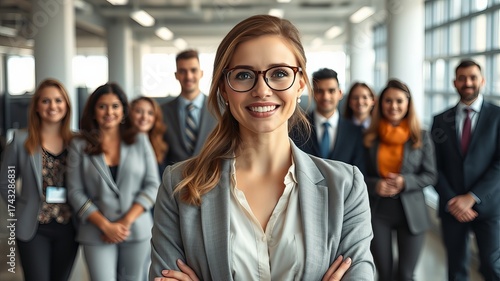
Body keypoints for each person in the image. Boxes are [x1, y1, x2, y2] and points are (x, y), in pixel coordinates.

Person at [150, 14, 374, 281]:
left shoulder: (346, 187)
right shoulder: (179, 184)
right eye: (244, 75)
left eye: (279, 73)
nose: (262, 90)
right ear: (224, 88)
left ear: (300, 83)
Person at [66, 83, 160, 281]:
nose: (109, 112)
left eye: (115, 106)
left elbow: (153, 184)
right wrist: (106, 225)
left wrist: (124, 222)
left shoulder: (140, 140)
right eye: (102, 106)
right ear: (93, 111)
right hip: (96, 231)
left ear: (124, 111)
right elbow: (75, 191)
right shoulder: (79, 144)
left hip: (135, 229)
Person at [0, 78, 79, 281]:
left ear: (66, 105)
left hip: (69, 227)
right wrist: (20, 206)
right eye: (46, 101)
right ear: (36, 106)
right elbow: (6, 181)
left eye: (58, 100)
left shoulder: (77, 141)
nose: (52, 106)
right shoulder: (20, 140)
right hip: (33, 228)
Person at [431, 59, 500, 281]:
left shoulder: (498, 116)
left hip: (489, 205)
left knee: (492, 267)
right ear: (454, 82)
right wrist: (453, 200)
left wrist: (471, 197)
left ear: (482, 81)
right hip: (452, 208)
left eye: (472, 77)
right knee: (456, 270)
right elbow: (434, 167)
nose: (467, 82)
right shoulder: (440, 120)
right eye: (462, 78)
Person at [363, 79, 437, 280]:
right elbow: (357, 174)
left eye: (399, 101)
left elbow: (431, 175)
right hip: (378, 212)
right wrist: (375, 184)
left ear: (408, 104)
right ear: (380, 104)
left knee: (405, 274)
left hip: (411, 213)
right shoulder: (369, 137)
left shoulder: (420, 136)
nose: (393, 106)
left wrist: (406, 182)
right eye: (388, 101)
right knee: (384, 274)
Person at [291, 68, 365, 173]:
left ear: (340, 93)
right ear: (312, 94)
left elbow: (359, 173)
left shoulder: (354, 131)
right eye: (319, 91)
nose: (326, 97)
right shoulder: (296, 128)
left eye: (331, 91)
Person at [161, 49, 217, 165]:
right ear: (176, 75)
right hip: (175, 180)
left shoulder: (219, 108)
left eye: (193, 70)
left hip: (212, 178)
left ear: (201, 73)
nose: (188, 76)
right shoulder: (162, 112)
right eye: (182, 71)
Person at [130, 96, 168, 174]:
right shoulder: (123, 145)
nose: (144, 117)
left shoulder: (161, 145)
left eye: (150, 113)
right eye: (139, 111)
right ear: (130, 114)